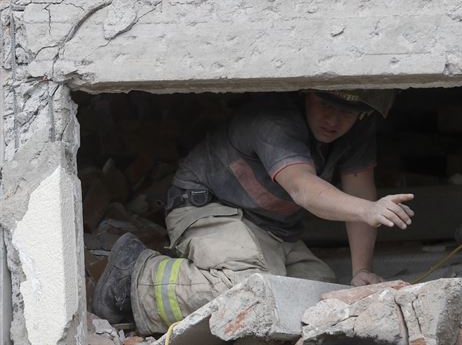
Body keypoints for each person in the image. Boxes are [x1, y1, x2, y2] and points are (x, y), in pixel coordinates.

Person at [92, 90, 415, 335]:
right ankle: (137, 273)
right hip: (206, 207)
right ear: (307, 95)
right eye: (326, 105)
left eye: (347, 112)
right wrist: (369, 210)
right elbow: (303, 188)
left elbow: (359, 191)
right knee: (247, 289)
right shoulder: (273, 121)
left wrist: (361, 270)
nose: (333, 119)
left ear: (362, 115)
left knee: (317, 292)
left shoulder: (356, 131)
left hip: (270, 228)